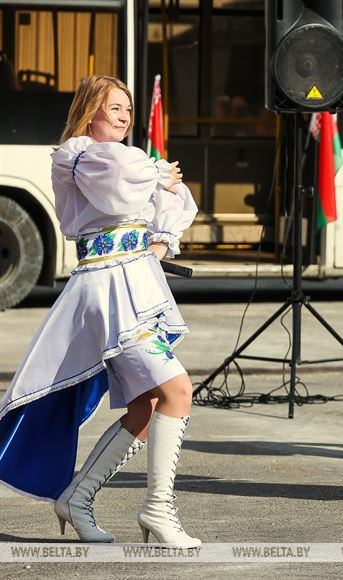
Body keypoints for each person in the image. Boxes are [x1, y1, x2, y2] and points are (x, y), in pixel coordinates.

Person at [0, 76, 200, 546]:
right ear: (90, 110)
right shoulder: (79, 154)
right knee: (178, 389)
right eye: (115, 107)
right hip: (108, 292)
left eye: (128, 108)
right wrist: (154, 173)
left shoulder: (123, 160)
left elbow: (165, 201)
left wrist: (160, 237)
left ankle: (77, 497)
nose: (124, 115)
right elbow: (121, 183)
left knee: (146, 404)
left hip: (136, 284)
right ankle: (157, 508)